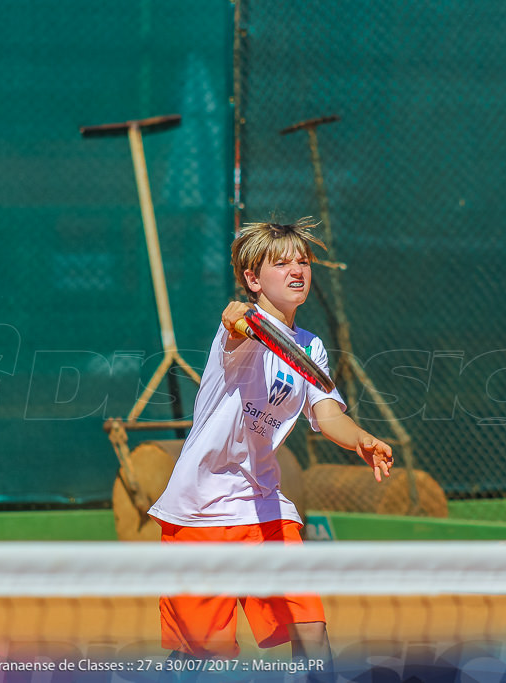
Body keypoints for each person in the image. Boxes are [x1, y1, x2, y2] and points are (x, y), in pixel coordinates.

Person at [148, 218, 394, 680]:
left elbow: (326, 414)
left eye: (302, 261)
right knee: (205, 660)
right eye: (281, 263)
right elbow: (234, 322)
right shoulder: (241, 331)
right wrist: (237, 316)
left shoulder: (310, 346)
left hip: (265, 508)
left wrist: (360, 437)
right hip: (200, 511)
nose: (297, 270)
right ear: (254, 279)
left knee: (311, 628)